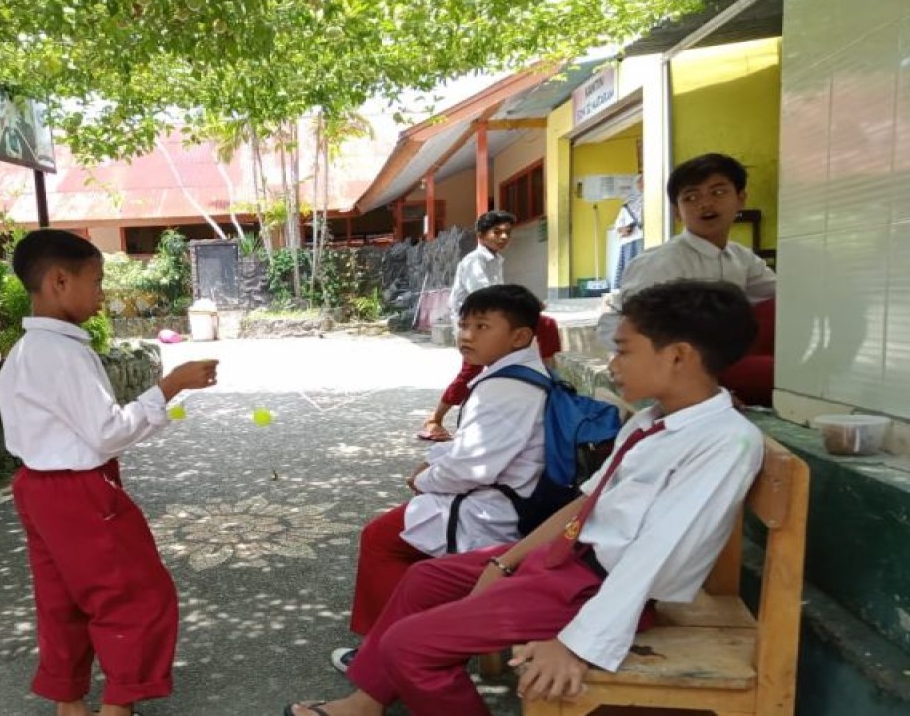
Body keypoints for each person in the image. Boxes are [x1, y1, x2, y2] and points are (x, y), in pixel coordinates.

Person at [286, 279, 764, 716]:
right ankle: (366, 703)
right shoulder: (651, 422)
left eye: (623, 351)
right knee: (425, 579)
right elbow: (585, 504)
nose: (612, 365)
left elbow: (653, 556)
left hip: (596, 587)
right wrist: (506, 562)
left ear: (677, 356)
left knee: (409, 647)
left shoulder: (724, 441)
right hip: (567, 559)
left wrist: (577, 644)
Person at [0, 229, 219, 716]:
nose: (102, 293)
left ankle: (69, 700)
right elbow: (105, 433)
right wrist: (170, 386)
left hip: (37, 487)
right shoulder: (60, 352)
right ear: (58, 281)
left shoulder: (22, 353)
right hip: (78, 492)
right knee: (136, 595)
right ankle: (119, 704)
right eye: (96, 282)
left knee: (62, 598)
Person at [335, 285, 549, 669]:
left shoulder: (507, 387)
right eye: (464, 324)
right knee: (396, 533)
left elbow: (473, 468)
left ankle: (382, 654)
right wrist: (433, 464)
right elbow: (473, 451)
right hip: (505, 498)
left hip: (493, 512)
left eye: (482, 326)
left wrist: (425, 480)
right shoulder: (519, 375)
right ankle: (399, 639)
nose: (466, 335)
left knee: (381, 538)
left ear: (520, 336)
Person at [596, 153, 776, 406]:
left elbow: (780, 295)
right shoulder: (663, 263)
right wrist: (697, 391)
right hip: (665, 365)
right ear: (677, 212)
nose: (705, 204)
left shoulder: (740, 257)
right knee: (769, 373)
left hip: (711, 360)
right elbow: (633, 331)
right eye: (691, 197)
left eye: (718, 192)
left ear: (740, 199)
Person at [419, 212, 562, 441]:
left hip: (492, 320)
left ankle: (548, 382)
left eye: (507, 232)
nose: (503, 237)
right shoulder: (475, 261)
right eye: (497, 232)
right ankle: (435, 419)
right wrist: (526, 303)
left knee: (543, 327)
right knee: (470, 372)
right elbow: (486, 295)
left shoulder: (495, 259)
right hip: (475, 324)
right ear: (481, 235)